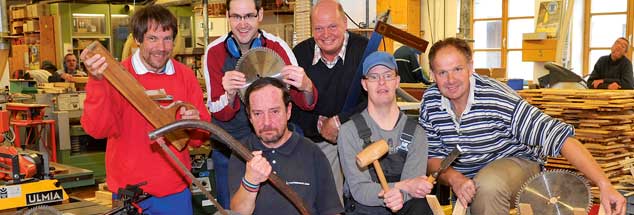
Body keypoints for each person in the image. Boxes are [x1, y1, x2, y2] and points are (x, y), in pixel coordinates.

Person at [419, 37, 626, 214]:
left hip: (514, 164)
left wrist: (604, 184)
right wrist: (455, 179)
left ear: (471, 67)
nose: (451, 79)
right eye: (442, 73)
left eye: (457, 69)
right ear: (432, 74)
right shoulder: (430, 102)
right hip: (468, 177)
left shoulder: (497, 99)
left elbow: (560, 137)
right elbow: (434, 159)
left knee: (488, 186)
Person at [80, 5, 211, 214]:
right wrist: (97, 81)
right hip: (128, 196)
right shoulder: (117, 76)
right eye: (152, 38)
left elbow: (199, 139)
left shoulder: (185, 76)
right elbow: (97, 129)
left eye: (167, 38)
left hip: (174, 194)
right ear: (137, 39)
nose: (161, 47)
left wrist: (193, 122)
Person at [203, 0, 318, 209]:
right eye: (236, 17)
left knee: (280, 202)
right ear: (228, 17)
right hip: (230, 144)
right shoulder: (214, 52)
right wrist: (229, 96)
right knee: (232, 206)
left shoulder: (277, 47)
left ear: (260, 15)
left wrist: (307, 85)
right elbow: (216, 112)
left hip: (270, 138)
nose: (242, 23)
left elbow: (304, 102)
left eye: (249, 16)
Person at [228, 77, 342, 215]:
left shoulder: (312, 153)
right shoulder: (241, 153)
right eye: (258, 113)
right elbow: (238, 212)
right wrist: (250, 181)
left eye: (274, 111)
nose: (267, 122)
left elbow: (331, 210)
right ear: (249, 117)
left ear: (288, 111)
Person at [291, 0, 369, 200]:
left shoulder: (365, 51)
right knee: (327, 199)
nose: (326, 35)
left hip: (360, 136)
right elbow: (291, 105)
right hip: (319, 140)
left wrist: (339, 121)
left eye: (332, 26)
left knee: (366, 196)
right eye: (319, 28)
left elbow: (376, 99)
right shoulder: (299, 55)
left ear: (345, 23)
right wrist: (319, 125)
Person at [338, 52, 433, 214]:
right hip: (365, 207)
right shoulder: (348, 132)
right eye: (374, 77)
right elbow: (359, 189)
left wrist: (401, 194)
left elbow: (414, 187)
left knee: (421, 207)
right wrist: (401, 187)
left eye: (388, 76)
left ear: (397, 81)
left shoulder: (417, 134)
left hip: (406, 206)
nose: (381, 82)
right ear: (364, 84)